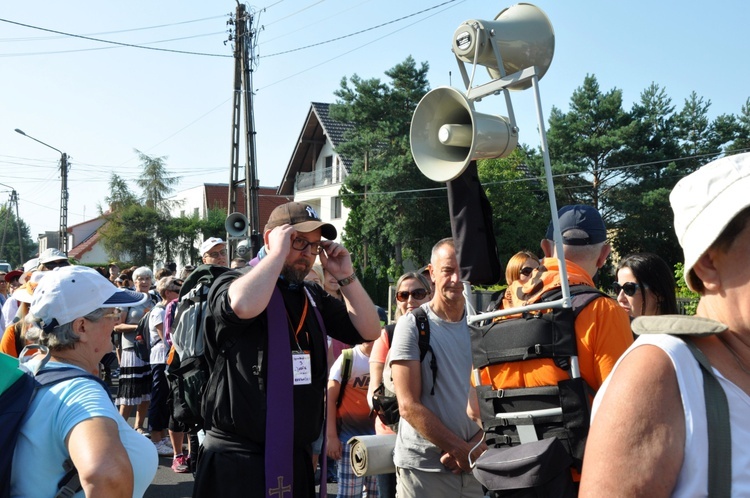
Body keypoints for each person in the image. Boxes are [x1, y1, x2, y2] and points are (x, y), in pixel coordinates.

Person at [580, 153, 750, 496]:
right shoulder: (659, 372)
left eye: (630, 287)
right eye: (619, 288)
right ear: (707, 264)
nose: (620, 296)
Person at [193, 201, 381, 498]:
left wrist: (346, 275)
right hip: (237, 460)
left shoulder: (310, 294)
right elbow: (241, 306)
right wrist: (277, 254)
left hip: (294, 456)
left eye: (314, 246)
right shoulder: (232, 281)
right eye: (299, 242)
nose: (307, 254)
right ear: (271, 239)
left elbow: (369, 330)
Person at [472, 205, 634, 491]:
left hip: (506, 475)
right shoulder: (602, 311)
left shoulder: (496, 310)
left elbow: (473, 408)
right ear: (605, 254)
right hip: (578, 479)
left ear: (546, 248)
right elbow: (623, 413)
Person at [10, 265, 158, 497]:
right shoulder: (80, 391)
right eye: (112, 313)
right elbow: (106, 475)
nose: (116, 321)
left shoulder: (28, 371)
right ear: (81, 327)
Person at [390, 238, 486, 498]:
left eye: (462, 271)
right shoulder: (412, 325)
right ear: (432, 273)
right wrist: (460, 449)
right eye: (447, 270)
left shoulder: (483, 324)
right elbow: (408, 406)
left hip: (475, 468)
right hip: (424, 472)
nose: (456, 279)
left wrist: (477, 447)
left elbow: (498, 395)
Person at [368, 270, 433, 498]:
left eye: (417, 293)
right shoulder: (388, 335)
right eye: (402, 295)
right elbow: (374, 392)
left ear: (429, 294)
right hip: (392, 434)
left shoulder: (441, 331)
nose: (410, 300)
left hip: (434, 433)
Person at [326, 340, 379, 497]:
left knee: (377, 493)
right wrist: (331, 437)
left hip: (379, 441)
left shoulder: (385, 357)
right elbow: (329, 399)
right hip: (350, 441)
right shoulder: (348, 359)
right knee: (349, 494)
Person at [114, 266, 157, 434]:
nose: (144, 282)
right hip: (131, 349)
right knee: (130, 391)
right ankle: (119, 428)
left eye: (147, 278)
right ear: (134, 281)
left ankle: (139, 426)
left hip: (149, 349)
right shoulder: (127, 300)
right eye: (140, 279)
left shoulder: (154, 299)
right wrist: (140, 326)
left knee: (146, 391)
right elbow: (117, 326)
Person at [148, 276, 183, 456]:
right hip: (160, 358)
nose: (180, 294)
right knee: (159, 397)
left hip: (165, 358)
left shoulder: (170, 309)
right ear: (167, 292)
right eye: (177, 291)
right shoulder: (160, 311)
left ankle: (162, 436)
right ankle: (155, 438)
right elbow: (165, 337)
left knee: (165, 399)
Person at [614, 252, 678, 317]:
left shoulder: (683, 326)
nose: (620, 298)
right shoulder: (613, 325)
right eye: (617, 288)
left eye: (629, 289)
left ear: (658, 292)